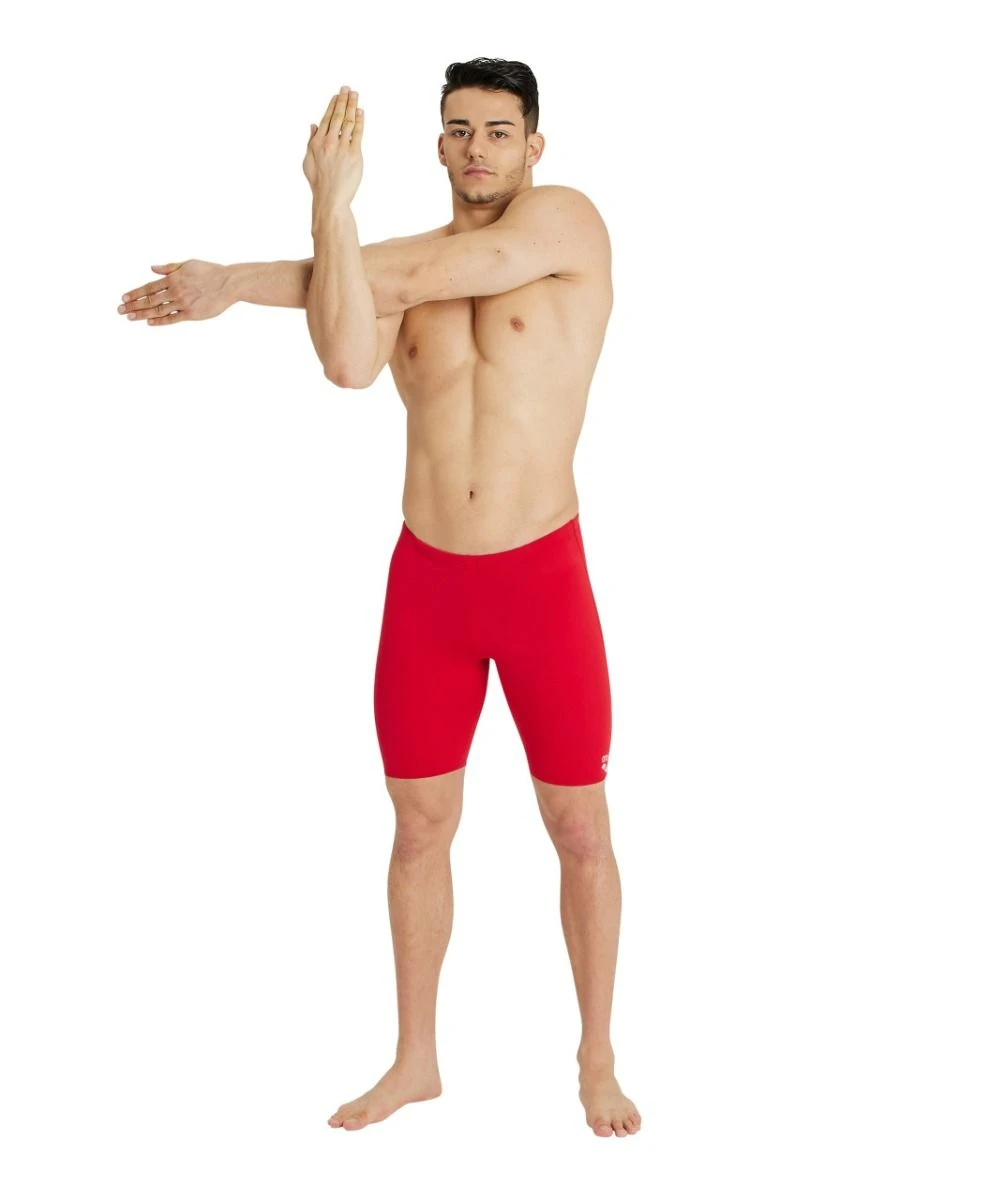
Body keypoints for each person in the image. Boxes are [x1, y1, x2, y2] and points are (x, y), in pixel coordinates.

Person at [117, 57, 640, 1139]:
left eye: (499, 130)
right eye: (460, 129)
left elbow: (442, 267)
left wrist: (260, 276)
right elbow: (349, 360)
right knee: (417, 828)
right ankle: (415, 1060)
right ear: (438, 143)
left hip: (540, 578)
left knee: (578, 827)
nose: (479, 148)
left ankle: (595, 1056)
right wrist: (324, 211)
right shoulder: (387, 267)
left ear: (535, 146)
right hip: (430, 583)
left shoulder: (566, 225)